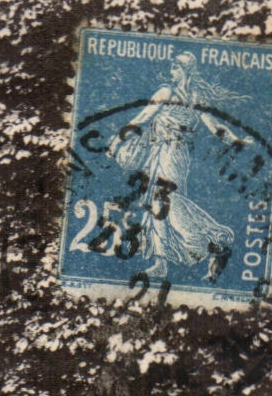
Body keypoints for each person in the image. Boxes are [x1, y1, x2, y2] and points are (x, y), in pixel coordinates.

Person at [105, 51, 250, 280]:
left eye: (175, 67)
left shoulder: (169, 93)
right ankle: (161, 262)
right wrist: (235, 140)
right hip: (167, 153)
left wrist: (116, 141)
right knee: (156, 206)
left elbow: (140, 119)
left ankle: (214, 241)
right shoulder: (194, 97)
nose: (171, 72)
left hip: (170, 153)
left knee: (167, 202)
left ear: (186, 71)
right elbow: (216, 128)